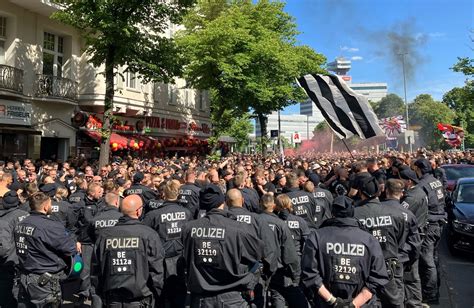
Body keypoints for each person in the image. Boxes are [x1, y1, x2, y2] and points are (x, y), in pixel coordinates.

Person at [181, 184, 264, 307]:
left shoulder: (188, 229)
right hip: (231, 298)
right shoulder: (239, 228)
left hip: (202, 299)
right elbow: (259, 254)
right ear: (222, 202)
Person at [301, 196, 389, 307]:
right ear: (352, 213)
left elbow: (309, 274)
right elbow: (378, 278)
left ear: (333, 213)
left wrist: (334, 301)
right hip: (361, 304)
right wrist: (353, 305)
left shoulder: (317, 236)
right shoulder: (369, 240)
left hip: (327, 303)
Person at [91, 195, 165, 307]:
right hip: (139, 299)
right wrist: (158, 296)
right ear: (138, 211)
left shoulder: (104, 236)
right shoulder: (148, 235)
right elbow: (156, 270)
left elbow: (96, 271)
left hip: (113, 300)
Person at [14, 192, 78, 307]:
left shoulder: (20, 224)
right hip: (44, 280)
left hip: (25, 276)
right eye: (50, 205)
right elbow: (70, 249)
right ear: (45, 207)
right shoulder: (50, 226)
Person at [353, 176, 408, 308]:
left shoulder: (354, 214)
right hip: (390, 267)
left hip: (365, 269)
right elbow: (400, 241)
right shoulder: (397, 213)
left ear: (361, 193)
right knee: (395, 302)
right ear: (379, 192)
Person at [143, 180, 192, 308]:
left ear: (163, 195)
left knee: (160, 292)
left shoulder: (153, 215)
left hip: (160, 259)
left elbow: (144, 236)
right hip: (179, 257)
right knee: (179, 292)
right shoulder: (186, 213)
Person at [227, 188, 277, 308]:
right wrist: (268, 271)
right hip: (252, 271)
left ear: (226, 202)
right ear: (243, 201)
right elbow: (269, 248)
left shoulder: (222, 219)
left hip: (229, 271)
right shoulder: (256, 219)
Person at [259, 194, 308, 308]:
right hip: (289, 263)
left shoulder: (272, 221)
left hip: (274, 263)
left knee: (276, 295)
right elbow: (305, 244)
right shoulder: (296, 221)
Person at [382, 179, 423, 308]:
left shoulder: (378, 211)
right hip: (400, 258)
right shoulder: (408, 214)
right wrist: (412, 260)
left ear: (386, 191)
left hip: (381, 258)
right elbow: (415, 242)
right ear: (401, 193)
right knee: (398, 289)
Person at [413, 158, 446, 305]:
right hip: (439, 221)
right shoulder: (435, 180)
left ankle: (431, 294)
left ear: (419, 169)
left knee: (427, 261)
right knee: (433, 257)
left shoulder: (422, 185)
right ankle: (436, 287)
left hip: (431, 223)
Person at [0, 191, 29, 307]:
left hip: (9, 263)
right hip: (26, 260)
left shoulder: (4, 220)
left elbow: (3, 249)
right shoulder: (26, 214)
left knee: (8, 296)